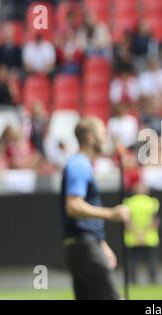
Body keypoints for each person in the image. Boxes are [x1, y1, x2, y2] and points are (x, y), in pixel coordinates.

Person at [60, 116, 130, 300]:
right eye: (102, 133)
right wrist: (112, 213)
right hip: (84, 247)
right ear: (91, 138)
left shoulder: (82, 165)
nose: (106, 138)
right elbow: (73, 206)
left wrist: (101, 243)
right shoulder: (79, 165)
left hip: (82, 245)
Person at [123, 182, 160, 285]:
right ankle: (153, 281)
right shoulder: (152, 202)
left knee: (132, 261)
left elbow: (126, 222)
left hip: (132, 236)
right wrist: (144, 234)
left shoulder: (128, 202)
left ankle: (133, 282)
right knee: (151, 260)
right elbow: (155, 221)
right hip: (149, 236)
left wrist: (137, 234)